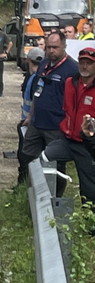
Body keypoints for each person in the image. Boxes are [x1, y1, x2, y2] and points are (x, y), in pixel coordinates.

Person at [17, 31, 77, 185]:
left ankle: (54, 198)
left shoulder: (72, 69)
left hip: (56, 126)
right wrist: (30, 116)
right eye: (48, 47)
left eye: (55, 47)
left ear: (64, 46)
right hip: (37, 122)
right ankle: (25, 189)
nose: (51, 51)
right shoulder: (43, 64)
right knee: (27, 157)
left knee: (55, 164)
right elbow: (38, 91)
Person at [43, 47, 95, 205]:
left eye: (89, 63)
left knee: (89, 189)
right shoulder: (69, 83)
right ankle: (50, 202)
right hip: (67, 140)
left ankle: (88, 225)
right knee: (45, 158)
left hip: (87, 145)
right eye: (82, 62)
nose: (85, 66)